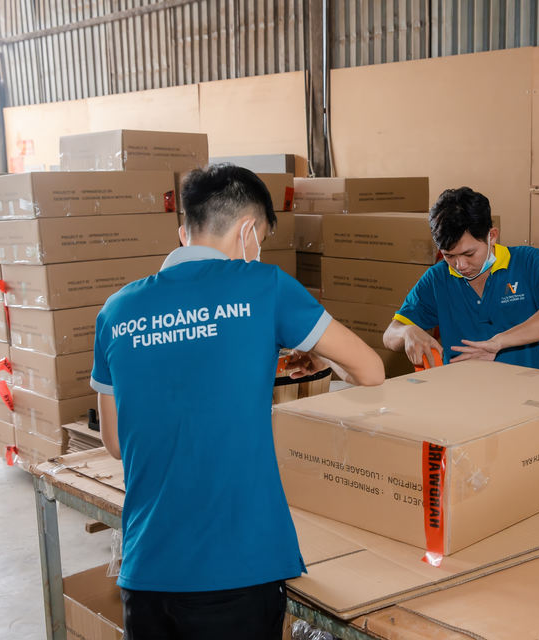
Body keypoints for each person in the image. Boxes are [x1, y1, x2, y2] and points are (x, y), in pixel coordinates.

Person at [90, 164, 384, 640]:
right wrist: (320, 356)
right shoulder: (265, 287)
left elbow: (116, 443)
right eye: (261, 239)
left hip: (147, 570)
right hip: (238, 569)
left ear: (185, 232)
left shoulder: (116, 311)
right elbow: (370, 370)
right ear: (248, 231)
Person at [382, 186, 539, 370]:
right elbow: (390, 335)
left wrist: (498, 342)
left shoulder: (526, 261)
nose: (460, 265)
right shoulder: (437, 279)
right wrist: (406, 332)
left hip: (528, 389)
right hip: (463, 390)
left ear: (492, 236)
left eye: (469, 254)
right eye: (449, 256)